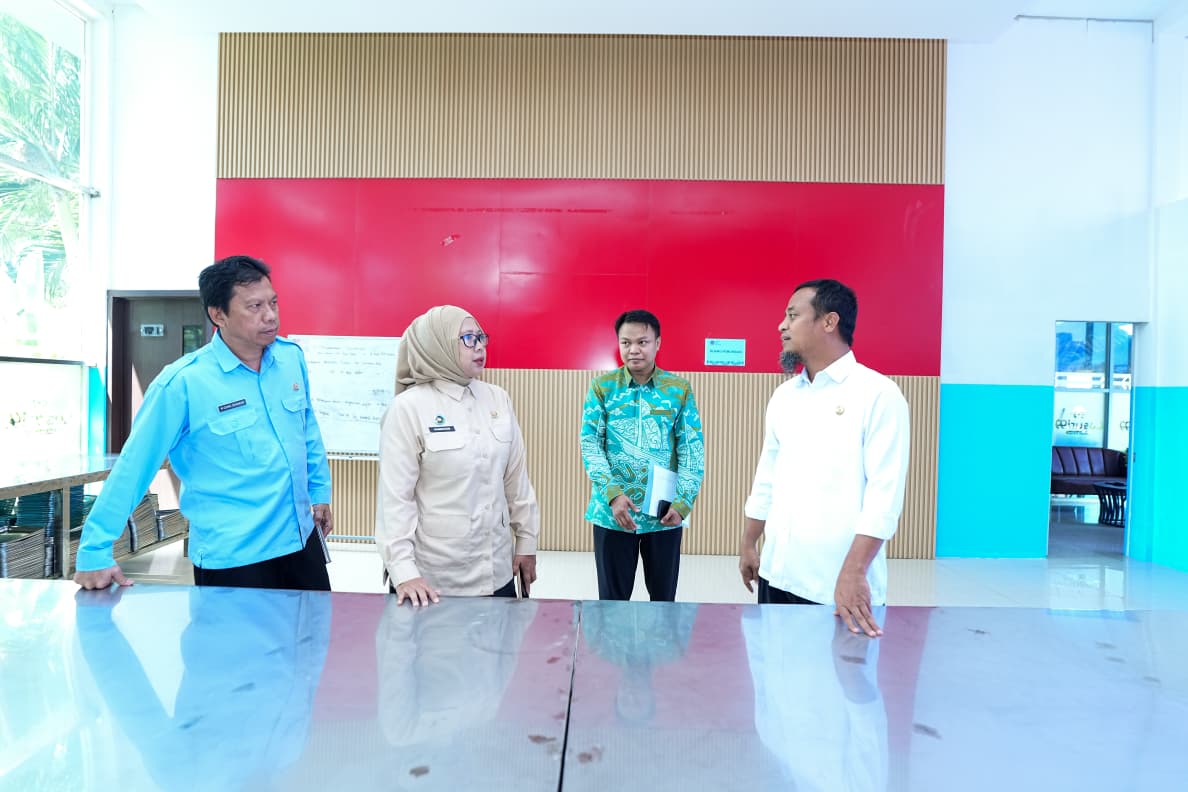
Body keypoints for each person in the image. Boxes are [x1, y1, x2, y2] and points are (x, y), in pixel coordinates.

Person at [74, 255, 334, 591]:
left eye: (273, 303)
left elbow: (307, 429)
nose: (270, 316)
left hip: (300, 541)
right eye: (254, 306)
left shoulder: (290, 358)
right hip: (235, 558)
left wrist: (319, 491)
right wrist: (94, 550)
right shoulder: (182, 384)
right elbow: (133, 467)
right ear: (218, 315)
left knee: (315, 626)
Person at [738, 279, 909, 637]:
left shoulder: (878, 395)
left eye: (792, 316)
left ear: (829, 322)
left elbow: (884, 497)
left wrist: (854, 572)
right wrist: (749, 542)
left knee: (838, 674)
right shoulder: (785, 396)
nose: (781, 326)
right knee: (772, 672)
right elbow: (767, 476)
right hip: (776, 574)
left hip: (835, 586)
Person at [376, 305, 539, 606]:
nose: (479, 346)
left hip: (497, 572)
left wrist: (527, 542)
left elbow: (517, 480)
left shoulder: (498, 398)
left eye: (481, 337)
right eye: (467, 338)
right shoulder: (408, 408)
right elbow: (395, 500)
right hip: (433, 582)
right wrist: (403, 572)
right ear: (437, 344)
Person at [580, 309, 705, 601]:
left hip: (664, 515)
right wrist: (613, 495)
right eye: (626, 343)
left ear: (657, 344)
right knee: (612, 602)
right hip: (612, 513)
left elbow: (691, 449)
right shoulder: (602, 387)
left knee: (663, 602)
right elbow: (590, 443)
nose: (633, 350)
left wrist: (684, 502)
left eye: (642, 342)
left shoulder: (678, 390)